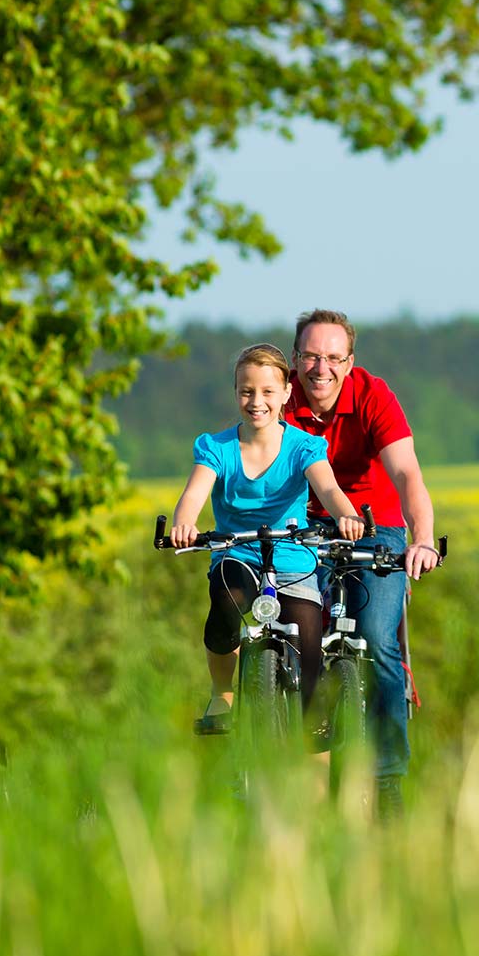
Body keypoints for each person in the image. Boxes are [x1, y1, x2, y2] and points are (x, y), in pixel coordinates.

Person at [285, 309, 440, 818]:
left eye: (332, 357)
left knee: (377, 639)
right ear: (295, 359)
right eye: (310, 355)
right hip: (301, 527)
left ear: (350, 363)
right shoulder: (278, 396)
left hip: (377, 528)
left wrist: (421, 539)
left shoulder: (374, 397)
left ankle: (388, 776)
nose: (320, 368)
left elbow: (408, 473)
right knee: (287, 634)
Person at [170, 343, 367, 736]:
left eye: (266, 392)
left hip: (293, 555)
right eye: (246, 391)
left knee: (308, 631)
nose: (256, 401)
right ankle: (222, 693)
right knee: (227, 601)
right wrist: (184, 524)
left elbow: (328, 489)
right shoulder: (216, 447)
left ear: (286, 394)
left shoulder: (303, 447)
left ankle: (311, 718)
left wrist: (346, 515)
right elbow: (193, 495)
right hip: (237, 551)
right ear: (236, 393)